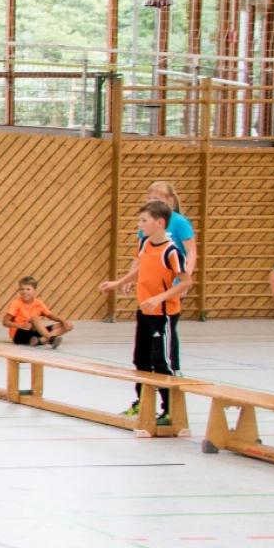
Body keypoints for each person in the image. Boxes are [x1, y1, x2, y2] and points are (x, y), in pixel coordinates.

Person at [100, 200, 190, 426]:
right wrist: (119, 282)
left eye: (144, 220)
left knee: (162, 362)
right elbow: (141, 269)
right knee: (140, 359)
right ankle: (143, 403)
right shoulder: (145, 244)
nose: (139, 225)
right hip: (145, 311)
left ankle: (169, 410)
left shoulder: (171, 251)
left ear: (159, 223)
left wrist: (160, 297)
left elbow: (185, 282)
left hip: (164, 315)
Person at [138, 180, 197, 373]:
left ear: (170, 201)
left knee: (167, 326)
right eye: (149, 198)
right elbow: (140, 255)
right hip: (150, 285)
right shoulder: (146, 224)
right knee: (151, 333)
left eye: (156, 199)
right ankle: (151, 372)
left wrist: (185, 280)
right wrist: (130, 278)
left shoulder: (178, 222)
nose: (152, 202)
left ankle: (173, 369)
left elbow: (191, 251)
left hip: (171, 281)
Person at [1, 276, 74, 348]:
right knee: (34, 318)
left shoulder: (38, 303)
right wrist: (21, 326)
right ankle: (50, 339)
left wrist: (64, 321)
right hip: (19, 334)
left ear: (34, 291)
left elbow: (52, 316)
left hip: (34, 331)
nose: (24, 292)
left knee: (66, 325)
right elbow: (5, 322)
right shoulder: (15, 303)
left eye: (28, 289)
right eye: (22, 289)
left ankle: (40, 341)